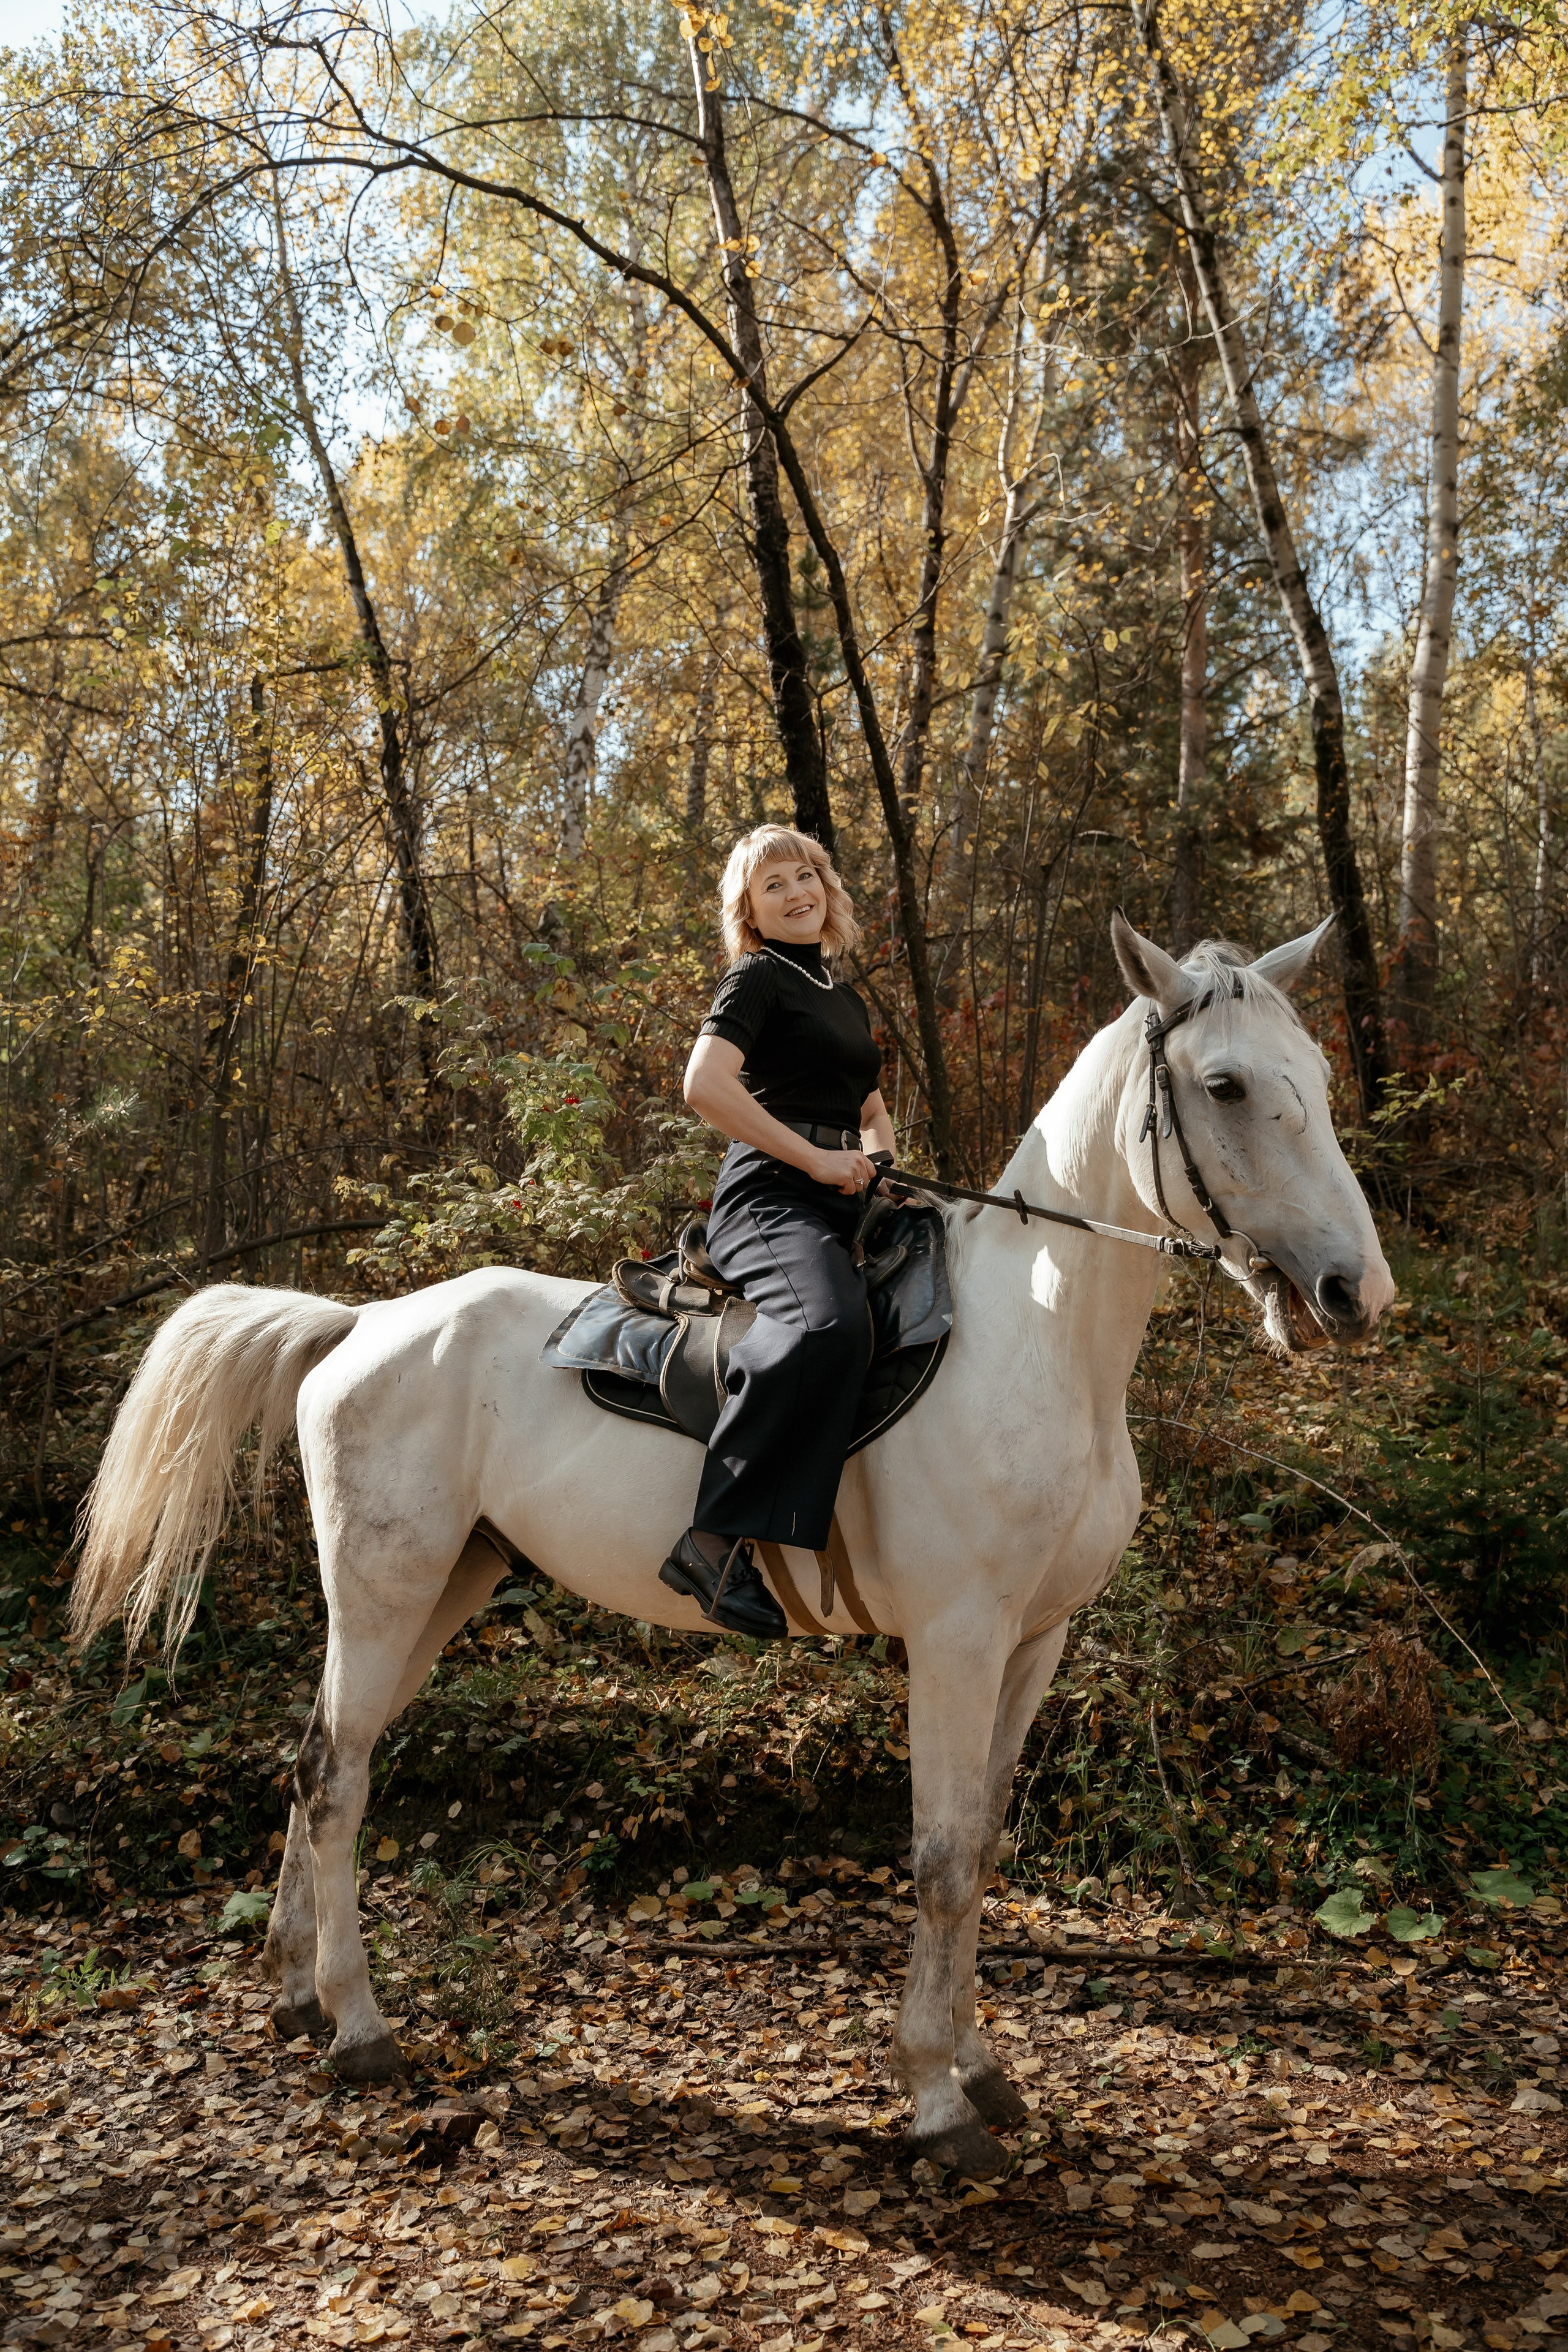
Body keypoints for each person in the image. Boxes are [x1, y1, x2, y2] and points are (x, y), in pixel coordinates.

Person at [662, 824, 895, 1639]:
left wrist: (882, 1164)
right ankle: (712, 1541)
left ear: (828, 889)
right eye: (775, 886)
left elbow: (868, 1106)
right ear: (751, 915)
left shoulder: (840, 994)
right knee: (826, 1326)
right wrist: (813, 1161)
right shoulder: (757, 978)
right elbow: (704, 1085)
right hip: (769, 1201)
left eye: (807, 876)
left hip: (841, 1201)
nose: (798, 892)